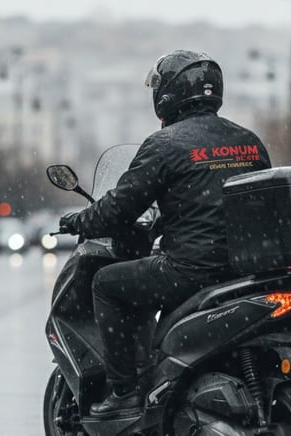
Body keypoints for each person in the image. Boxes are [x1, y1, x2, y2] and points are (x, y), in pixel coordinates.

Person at [58, 50, 272, 418]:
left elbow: (118, 208)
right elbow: (221, 202)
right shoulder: (249, 141)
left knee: (106, 284)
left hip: (193, 271)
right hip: (245, 271)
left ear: (169, 93)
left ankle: (124, 391)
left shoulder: (165, 144)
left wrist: (78, 221)